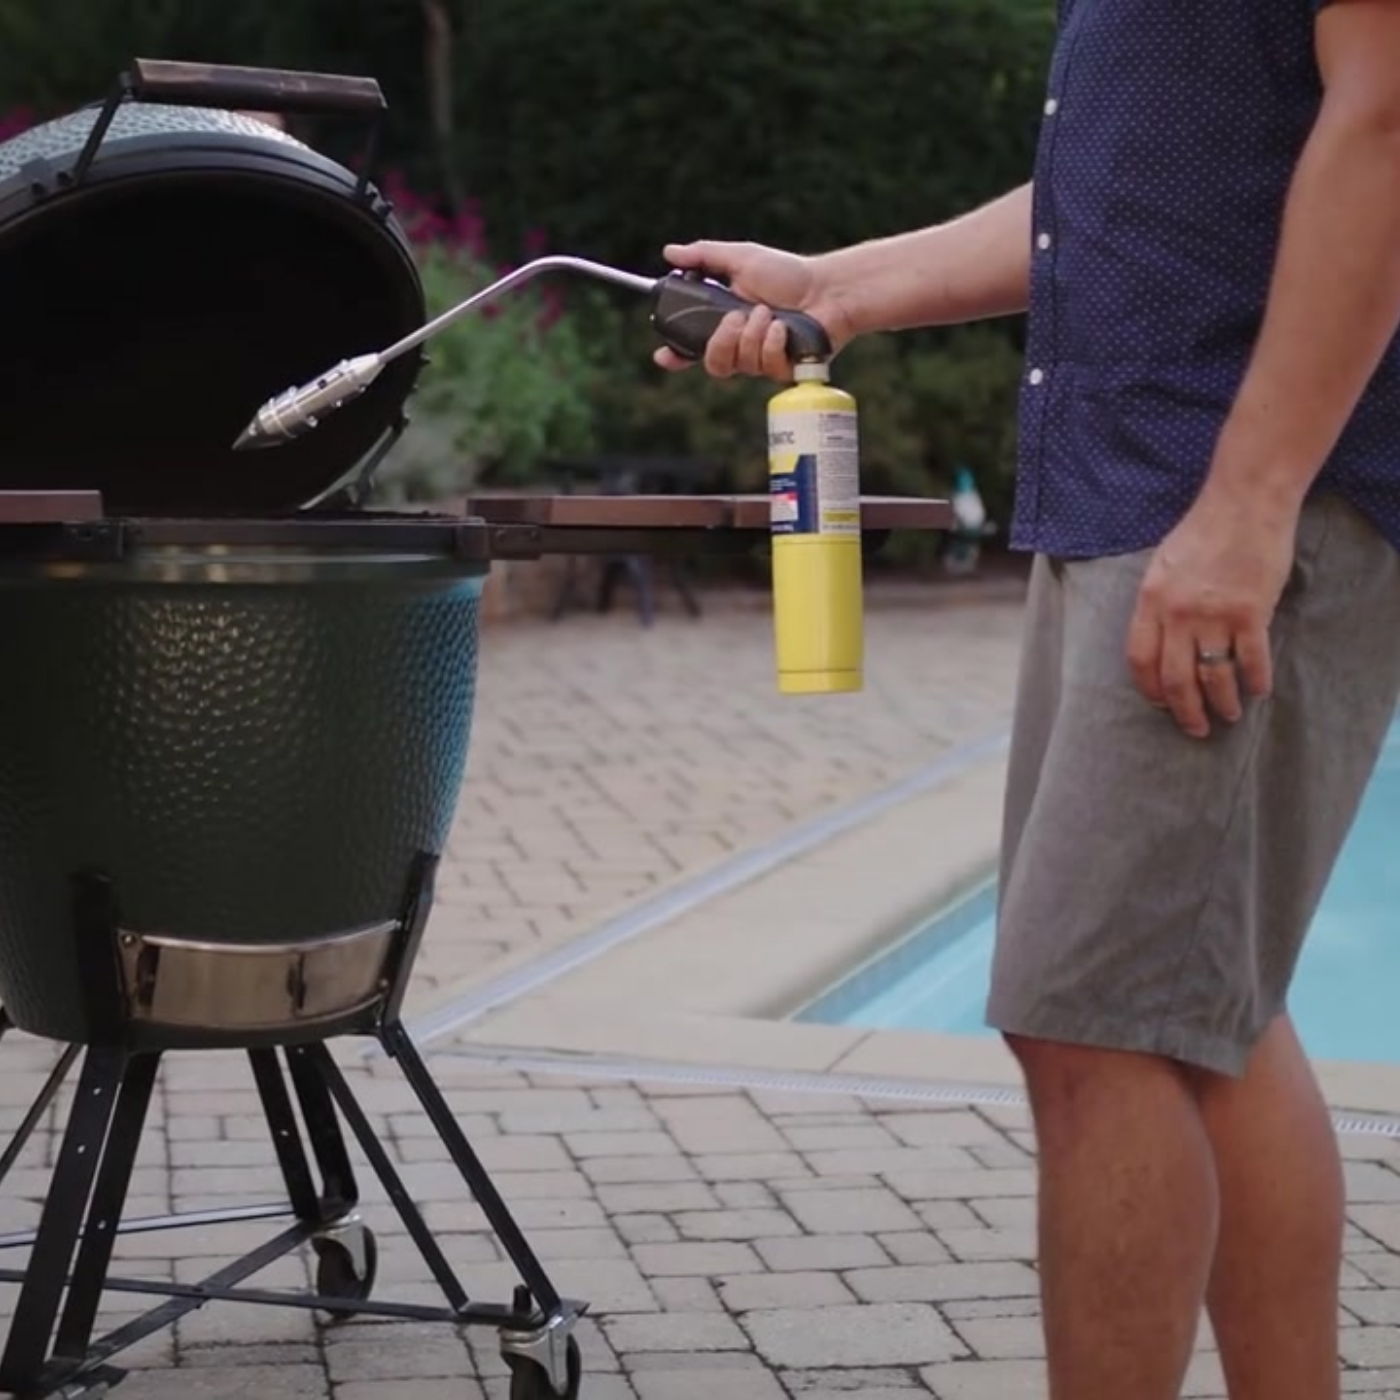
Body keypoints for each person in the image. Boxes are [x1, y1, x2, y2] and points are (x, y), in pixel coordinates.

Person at [654, 3, 1400, 1398]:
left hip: (1226, 495)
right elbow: (1118, 191)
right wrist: (841, 284)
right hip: (1143, 491)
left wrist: (1250, 504)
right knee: (1213, 1016)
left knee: (1099, 1017)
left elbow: (1390, 123)